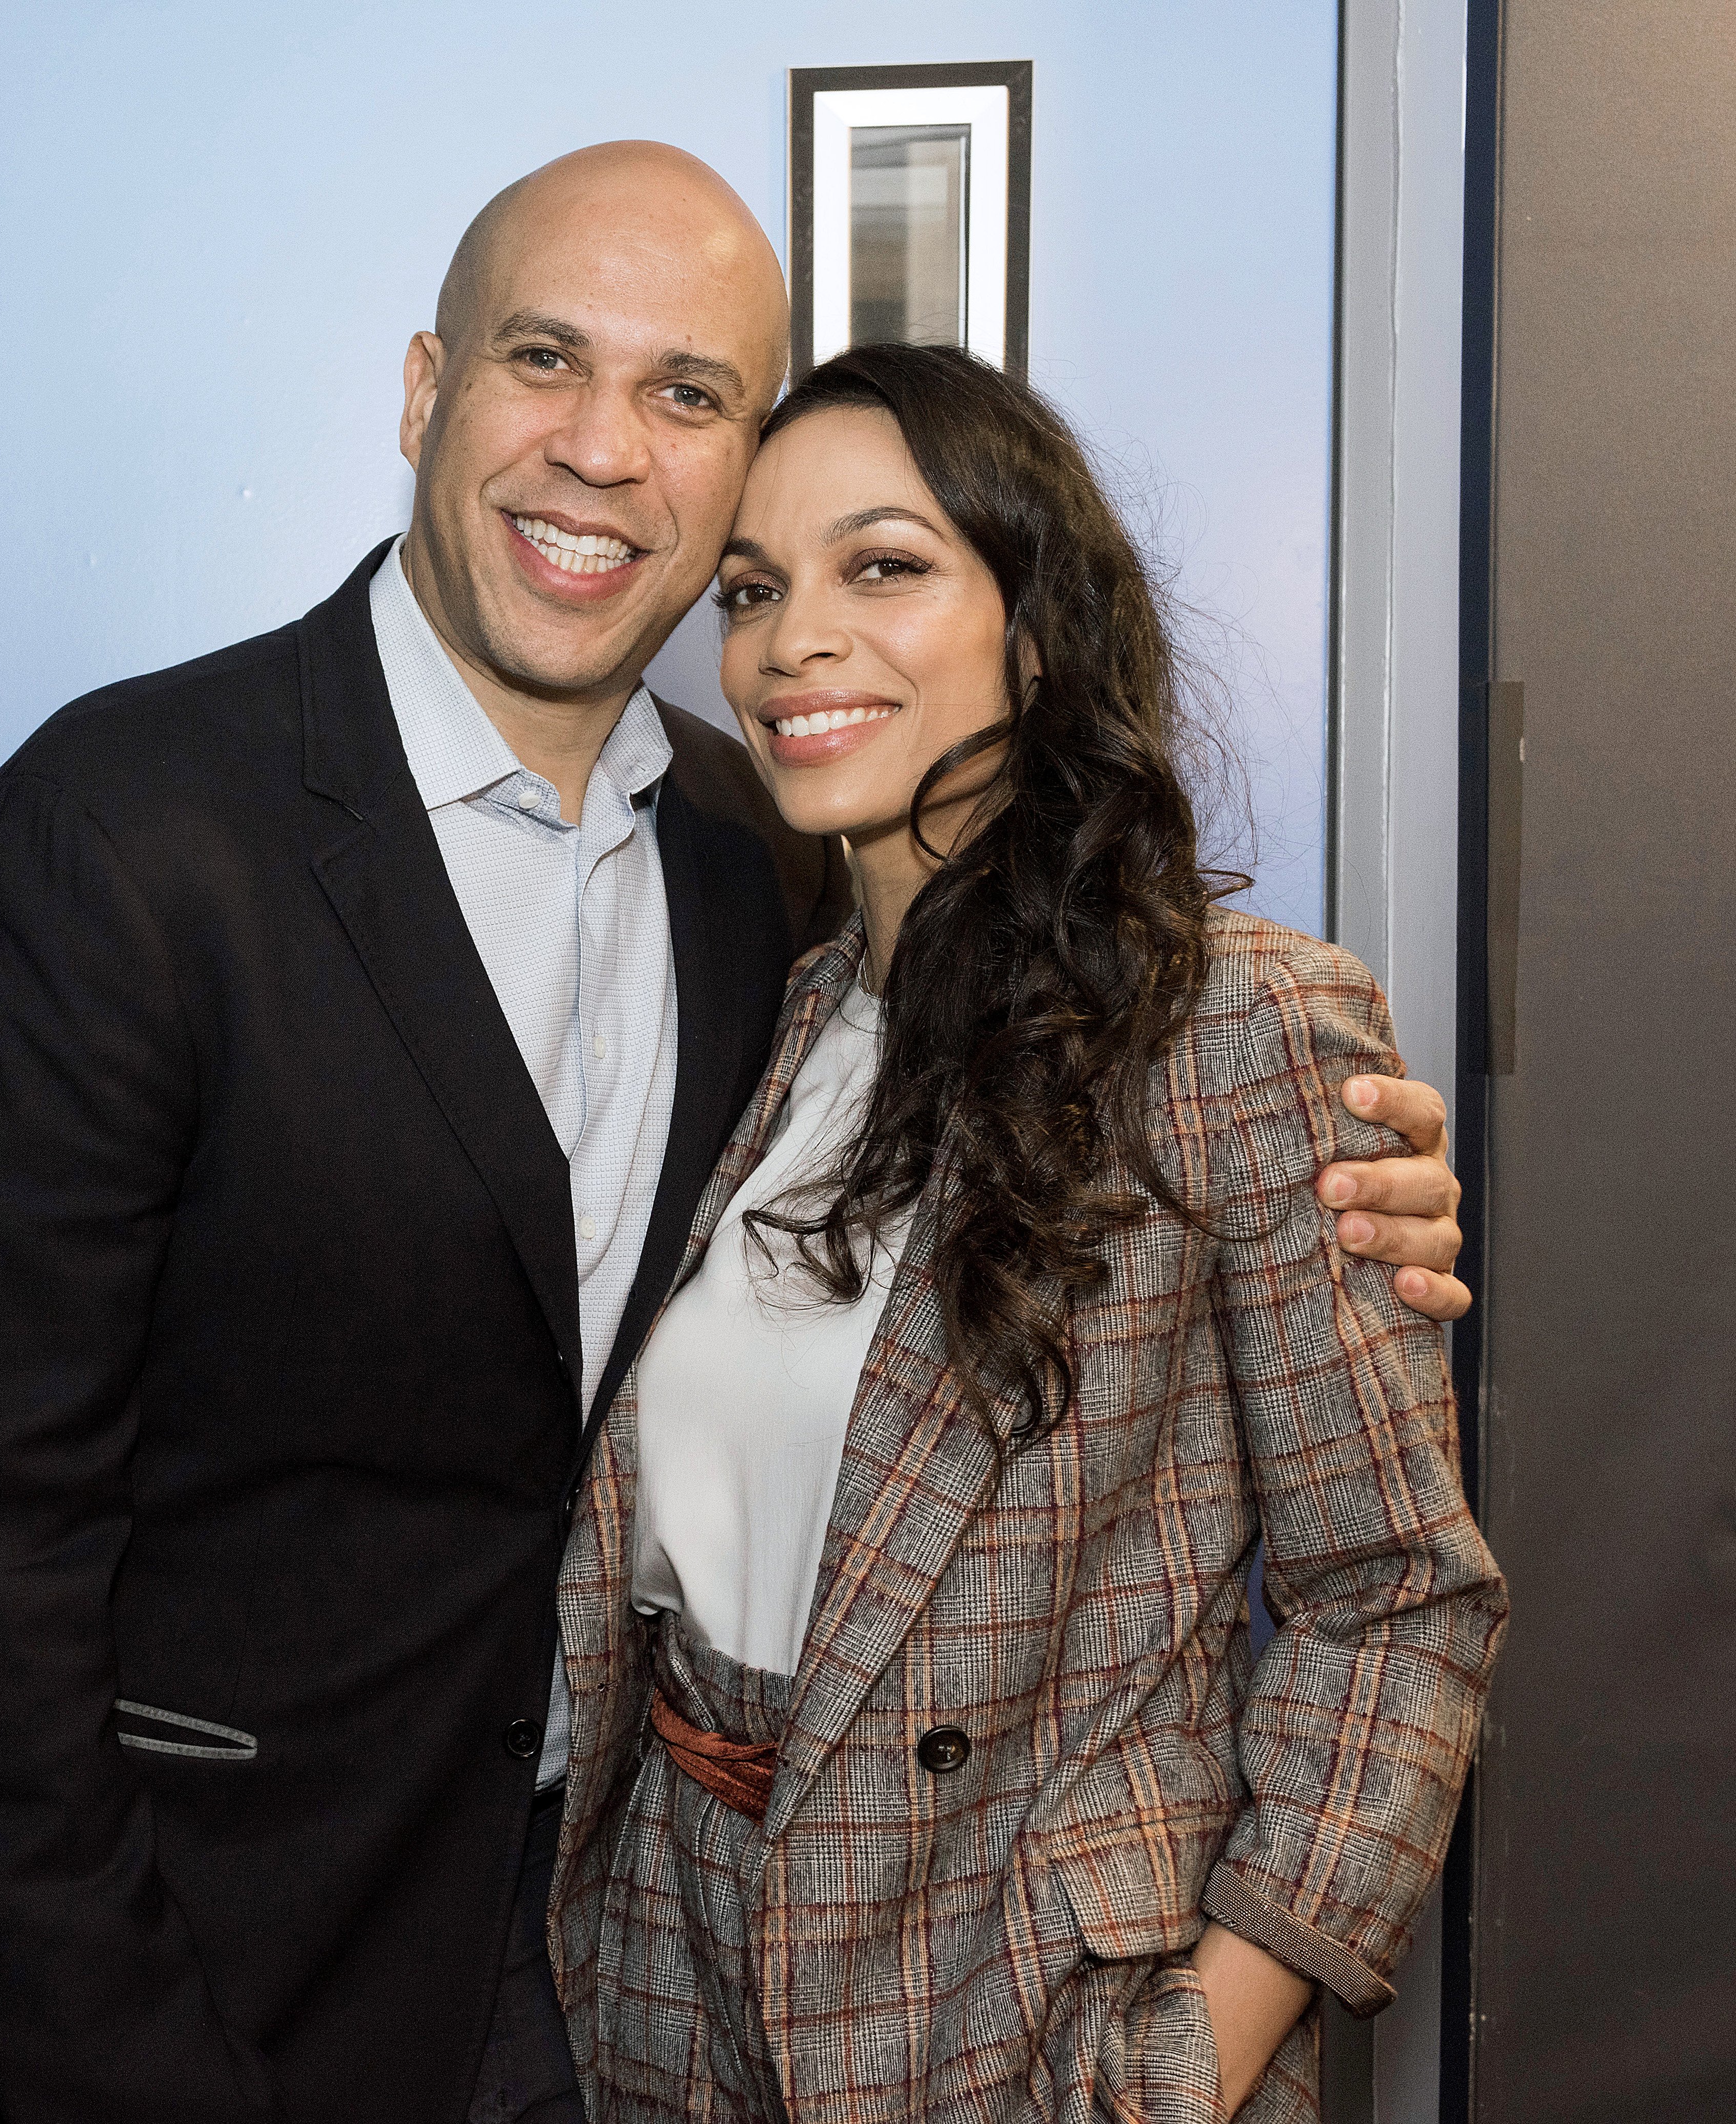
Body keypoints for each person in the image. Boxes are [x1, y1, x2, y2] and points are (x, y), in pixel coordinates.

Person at [0, 144, 1471, 2124]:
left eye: (689, 395)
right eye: (547, 362)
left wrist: (1188, 2057)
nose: (606, 451)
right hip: (188, 1977)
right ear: (426, 391)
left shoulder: (749, 868)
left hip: (615, 1995)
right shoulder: (116, 837)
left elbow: (1370, 1570)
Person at [548, 343, 1506, 2123]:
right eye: (753, 590)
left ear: (1038, 627)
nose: (791, 641)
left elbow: (1398, 1601)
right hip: (672, 1974)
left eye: (884, 566)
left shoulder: (1234, 1033)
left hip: (1019, 2014)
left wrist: (1190, 2057)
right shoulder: (767, 999)